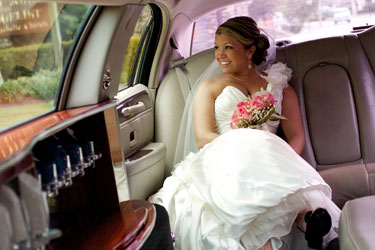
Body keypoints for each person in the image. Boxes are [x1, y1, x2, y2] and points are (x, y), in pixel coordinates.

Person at [149, 16, 340, 250]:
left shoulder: (280, 87)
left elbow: (297, 136)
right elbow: (203, 137)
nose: (219, 55)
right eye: (217, 48)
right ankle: (297, 223)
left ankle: (308, 221)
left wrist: (277, 160)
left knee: (275, 190)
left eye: (228, 47)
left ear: (250, 51)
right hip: (221, 161)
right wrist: (243, 144)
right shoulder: (209, 88)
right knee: (245, 196)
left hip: (272, 162)